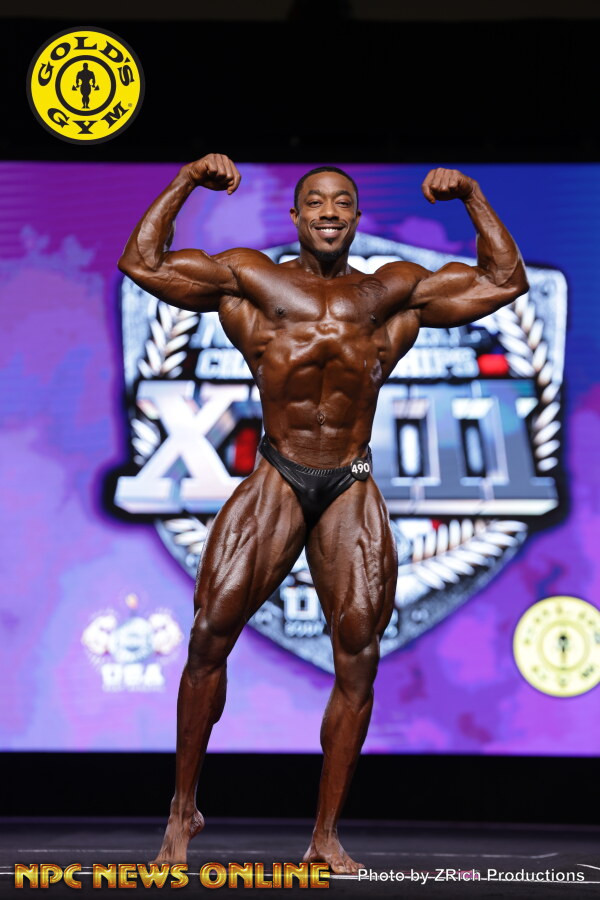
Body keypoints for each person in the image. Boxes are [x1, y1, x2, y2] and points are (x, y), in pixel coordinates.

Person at [118, 154, 528, 873]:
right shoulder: (253, 278)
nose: (329, 212)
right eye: (315, 202)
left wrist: (471, 195)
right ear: (297, 215)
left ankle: (325, 835)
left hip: (350, 481)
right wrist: (184, 181)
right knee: (210, 635)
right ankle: (183, 812)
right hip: (279, 473)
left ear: (357, 217)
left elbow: (503, 281)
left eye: (342, 202)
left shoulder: (392, 290)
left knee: (359, 656)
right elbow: (142, 263)